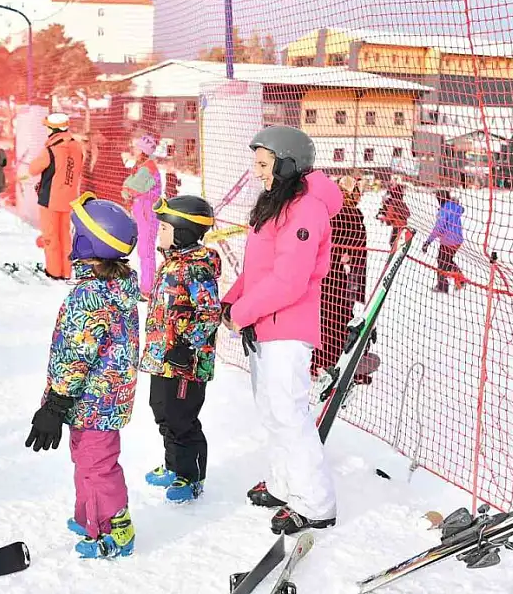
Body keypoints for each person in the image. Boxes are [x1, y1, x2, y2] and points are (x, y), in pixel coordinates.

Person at [222, 125, 342, 536]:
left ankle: (316, 502)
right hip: (264, 322)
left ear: (288, 163)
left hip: (287, 327)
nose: (257, 172)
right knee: (272, 412)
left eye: (263, 164)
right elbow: (259, 270)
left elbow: (290, 280)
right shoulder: (278, 202)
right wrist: (233, 301)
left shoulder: (306, 209)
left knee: (290, 414)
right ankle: (283, 484)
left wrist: (242, 312)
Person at [25, 192, 139, 559]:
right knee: (88, 461)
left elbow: (76, 354)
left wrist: (55, 404)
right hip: (106, 400)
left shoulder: (89, 294)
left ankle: (114, 529)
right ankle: (89, 516)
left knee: (97, 465)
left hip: (90, 399)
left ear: (88, 242)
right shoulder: (118, 285)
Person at [140, 195, 221, 504]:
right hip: (163, 359)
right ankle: (174, 465)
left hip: (185, 361)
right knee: (161, 411)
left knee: (182, 419)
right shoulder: (173, 262)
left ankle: (192, 475)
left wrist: (188, 346)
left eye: (164, 227)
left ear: (183, 231)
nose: (159, 233)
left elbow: (210, 313)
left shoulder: (198, 268)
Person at [312, 184, 368, 378]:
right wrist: (357, 285)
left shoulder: (322, 213)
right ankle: (338, 359)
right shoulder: (352, 215)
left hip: (320, 275)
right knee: (338, 316)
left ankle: (322, 360)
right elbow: (358, 253)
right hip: (334, 277)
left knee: (324, 318)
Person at [28, 113, 84, 280]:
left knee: (51, 237)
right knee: (65, 236)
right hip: (70, 199)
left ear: (53, 129)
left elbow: (33, 169)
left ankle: (54, 271)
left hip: (50, 200)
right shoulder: (77, 147)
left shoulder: (50, 150)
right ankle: (66, 271)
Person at [120, 134, 163, 298]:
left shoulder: (147, 168)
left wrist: (126, 190)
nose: (134, 150)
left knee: (146, 250)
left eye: (137, 148)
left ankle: (147, 288)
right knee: (144, 250)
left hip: (147, 212)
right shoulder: (143, 166)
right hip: (143, 211)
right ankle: (147, 285)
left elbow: (132, 186)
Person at [423, 190, 466, 293]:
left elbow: (439, 228)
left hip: (448, 241)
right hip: (457, 240)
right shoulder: (453, 206)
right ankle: (459, 280)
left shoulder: (444, 210)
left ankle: (444, 286)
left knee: (442, 262)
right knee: (446, 260)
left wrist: (428, 242)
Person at [376, 181, 410, 247]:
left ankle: (395, 253)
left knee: (392, 242)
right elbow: (408, 214)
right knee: (397, 241)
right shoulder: (402, 204)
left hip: (396, 227)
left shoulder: (393, 205)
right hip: (403, 227)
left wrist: (382, 218)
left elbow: (389, 218)